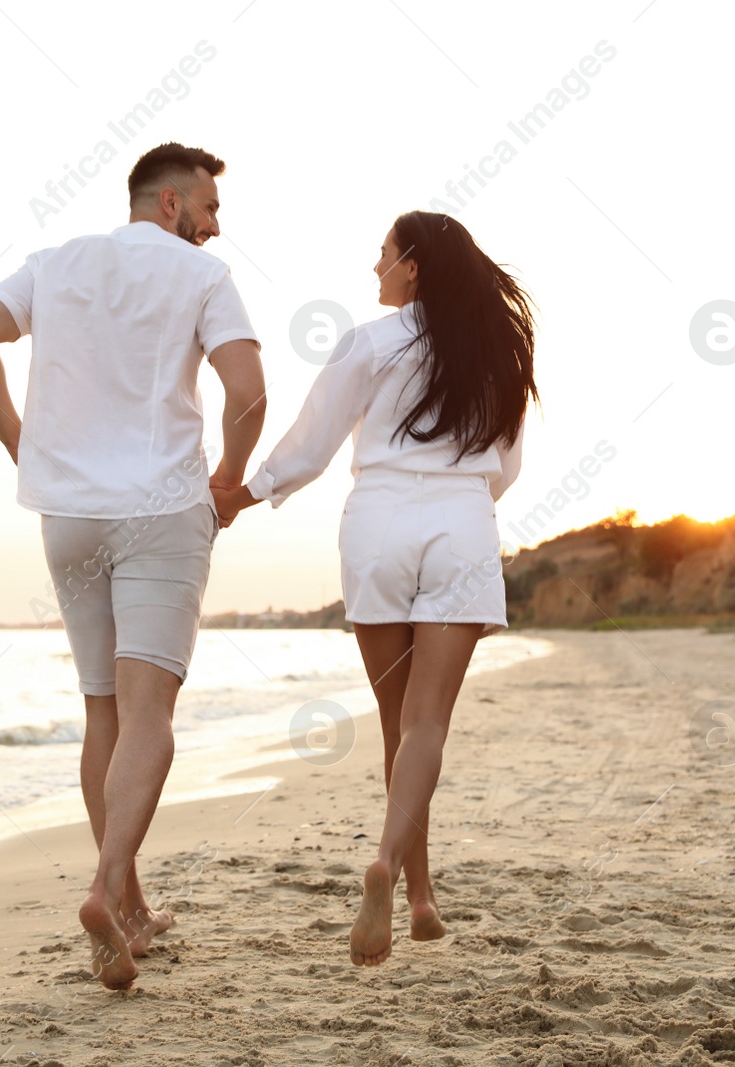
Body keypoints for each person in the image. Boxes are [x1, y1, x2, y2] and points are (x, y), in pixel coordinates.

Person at [0, 143, 266, 989]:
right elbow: (251, 394)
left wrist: (24, 444)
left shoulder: (52, 264)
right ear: (167, 203)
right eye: (207, 205)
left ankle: (129, 906)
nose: (215, 223)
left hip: (69, 514)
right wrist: (229, 476)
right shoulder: (206, 277)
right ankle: (102, 889)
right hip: (160, 506)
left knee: (102, 713)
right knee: (149, 705)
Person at [211, 210, 536, 966]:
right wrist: (463, 509)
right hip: (460, 520)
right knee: (427, 727)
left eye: (384, 254)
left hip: (377, 522)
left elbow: (313, 440)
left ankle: (417, 894)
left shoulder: (370, 340)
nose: (375, 267)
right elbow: (508, 467)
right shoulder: (499, 351)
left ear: (414, 265)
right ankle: (400, 877)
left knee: (394, 724)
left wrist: (243, 493)